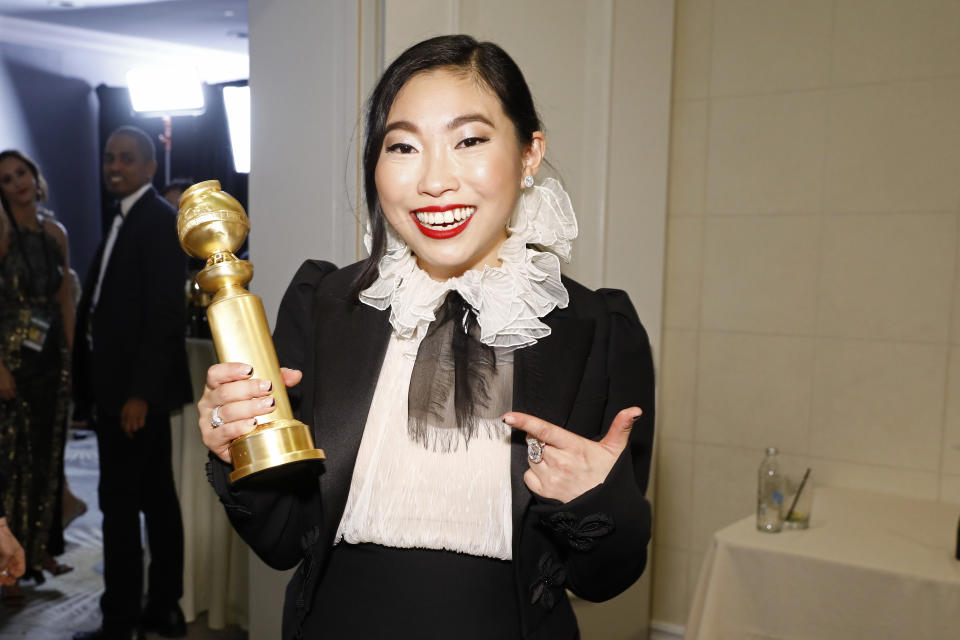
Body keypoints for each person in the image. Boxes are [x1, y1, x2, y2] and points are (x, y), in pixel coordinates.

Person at [198, 35, 655, 640]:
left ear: (528, 154)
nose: (435, 180)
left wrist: (595, 500)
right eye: (404, 146)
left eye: (469, 140)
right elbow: (283, 541)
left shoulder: (598, 330)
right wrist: (235, 452)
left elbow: (604, 578)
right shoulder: (326, 306)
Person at [72, 126, 191, 640]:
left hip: (134, 397)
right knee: (153, 499)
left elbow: (166, 314)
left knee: (123, 506)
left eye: (125, 159)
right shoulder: (127, 218)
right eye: (108, 158)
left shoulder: (159, 220)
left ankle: (122, 619)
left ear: (149, 168)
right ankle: (161, 609)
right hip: (115, 391)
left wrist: (140, 393)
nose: (113, 166)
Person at [0, 149, 75, 604]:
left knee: (48, 454)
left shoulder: (55, 232)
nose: (17, 183)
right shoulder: (3, 231)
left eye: (21, 172)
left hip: (50, 356)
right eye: (6, 179)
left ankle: (39, 550)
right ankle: (7, 559)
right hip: (10, 358)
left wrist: (71, 360)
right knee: (11, 461)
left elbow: (64, 296)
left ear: (35, 174)